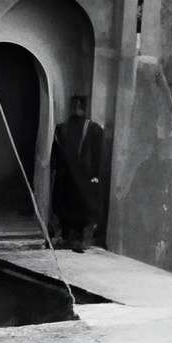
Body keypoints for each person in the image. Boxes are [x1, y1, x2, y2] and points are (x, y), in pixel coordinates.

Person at [48, 94, 110, 252]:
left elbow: (98, 156)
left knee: (83, 208)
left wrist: (95, 176)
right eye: (74, 105)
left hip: (82, 179)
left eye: (78, 106)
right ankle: (69, 237)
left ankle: (81, 238)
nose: (76, 109)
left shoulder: (93, 129)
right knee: (67, 207)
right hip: (69, 178)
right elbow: (55, 155)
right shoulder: (62, 129)